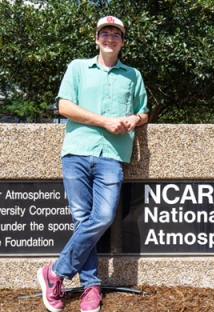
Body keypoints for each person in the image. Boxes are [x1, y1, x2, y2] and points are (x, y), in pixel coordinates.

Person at [37, 16, 148, 312]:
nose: (110, 37)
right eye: (105, 33)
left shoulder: (133, 75)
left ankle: (55, 272)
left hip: (112, 155)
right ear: (97, 39)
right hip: (77, 152)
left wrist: (135, 119)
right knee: (82, 219)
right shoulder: (77, 68)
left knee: (101, 217)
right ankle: (91, 287)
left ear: (122, 42)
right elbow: (64, 106)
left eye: (116, 34)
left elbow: (144, 111)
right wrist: (104, 121)